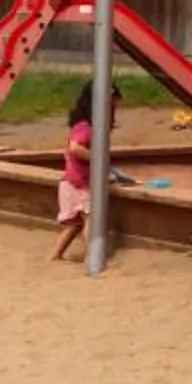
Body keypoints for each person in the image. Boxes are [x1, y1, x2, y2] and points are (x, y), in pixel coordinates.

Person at [52, 79, 121, 262]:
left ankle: (55, 256)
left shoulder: (82, 126)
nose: (112, 112)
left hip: (68, 182)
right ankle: (93, 258)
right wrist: (98, 159)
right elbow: (75, 148)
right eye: (111, 107)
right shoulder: (86, 127)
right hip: (81, 183)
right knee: (91, 219)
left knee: (73, 225)